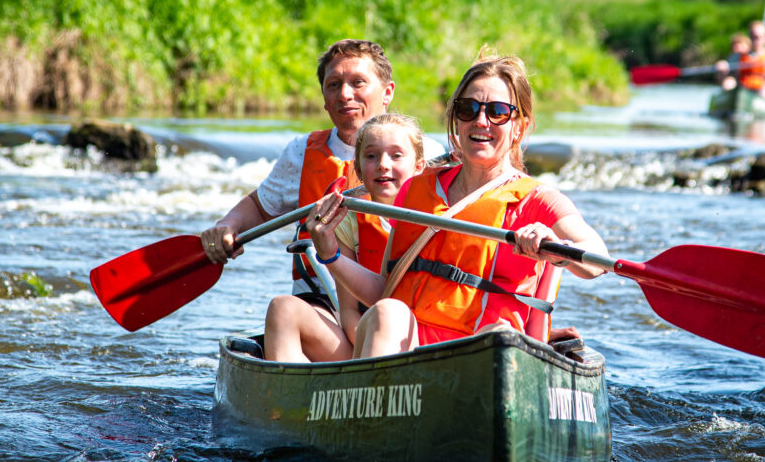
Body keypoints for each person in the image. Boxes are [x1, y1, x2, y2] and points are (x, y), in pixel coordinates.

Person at [313, 53, 609, 359]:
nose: (481, 121)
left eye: (497, 112)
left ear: (519, 128)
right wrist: (330, 254)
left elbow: (597, 260)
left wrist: (555, 245)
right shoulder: (415, 188)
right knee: (388, 311)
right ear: (456, 119)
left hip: (482, 355)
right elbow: (382, 288)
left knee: (498, 336)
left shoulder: (538, 200)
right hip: (407, 349)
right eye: (468, 109)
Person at [200, 39, 442, 311]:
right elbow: (260, 206)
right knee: (283, 310)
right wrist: (228, 224)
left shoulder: (429, 155)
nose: (344, 94)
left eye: (358, 83)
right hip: (319, 301)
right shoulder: (300, 152)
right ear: (324, 99)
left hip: (396, 298)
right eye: (334, 85)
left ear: (387, 92)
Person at [263, 113, 426, 362]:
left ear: (419, 167)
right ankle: (296, 389)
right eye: (371, 156)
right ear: (358, 169)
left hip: (415, 339)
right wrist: (373, 342)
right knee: (282, 308)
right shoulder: (348, 221)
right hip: (360, 339)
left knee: (387, 316)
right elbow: (349, 312)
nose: (383, 164)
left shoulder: (435, 217)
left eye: (396, 155)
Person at [715, 20, 765, 100]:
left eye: (759, 37)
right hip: (742, 88)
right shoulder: (740, 55)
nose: (756, 40)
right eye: (753, 37)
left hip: (761, 89)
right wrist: (722, 66)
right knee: (728, 83)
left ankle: (761, 104)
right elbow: (727, 68)